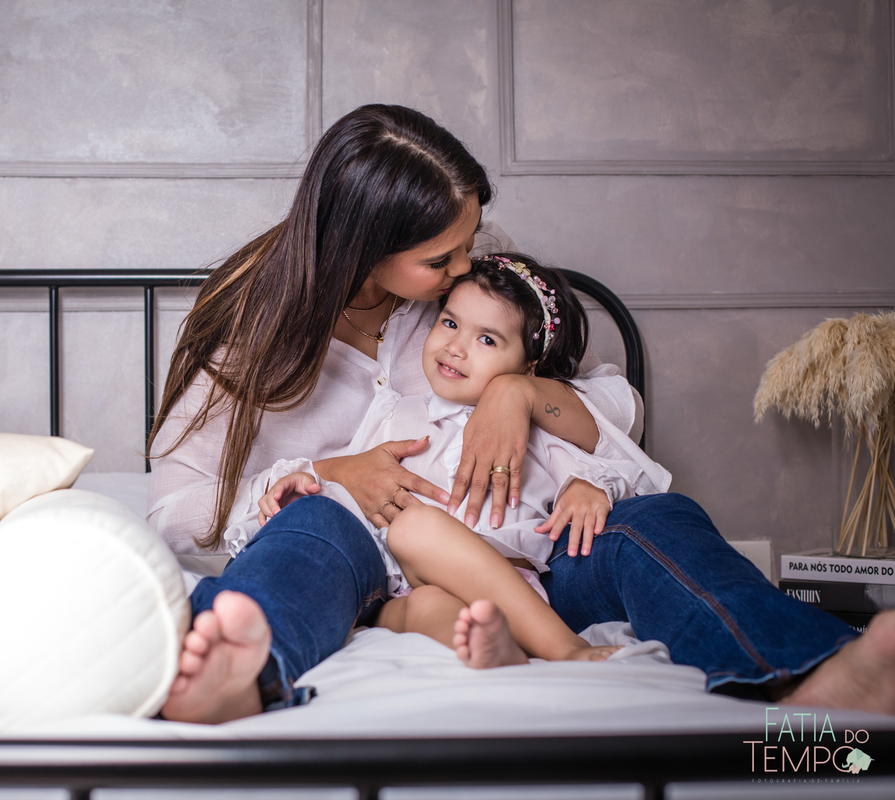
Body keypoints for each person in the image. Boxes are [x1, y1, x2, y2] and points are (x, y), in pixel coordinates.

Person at [147, 103, 895, 725]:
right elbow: (175, 511)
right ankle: (243, 682)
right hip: (375, 562)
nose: (465, 268)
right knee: (310, 530)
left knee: (655, 522)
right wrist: (325, 472)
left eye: (469, 245)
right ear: (361, 249)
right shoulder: (248, 331)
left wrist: (518, 393)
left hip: (535, 547)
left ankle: (806, 676)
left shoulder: (473, 280)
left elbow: (611, 405)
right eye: (442, 262)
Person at [254, 254, 670, 667]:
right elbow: (356, 486)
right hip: (404, 587)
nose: (455, 348)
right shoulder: (395, 412)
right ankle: (491, 650)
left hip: (508, 588)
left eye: (486, 339)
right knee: (423, 604)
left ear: (529, 366)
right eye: (450, 323)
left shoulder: (530, 428)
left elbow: (626, 471)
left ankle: (564, 647)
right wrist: (306, 481)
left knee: (414, 526)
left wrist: (590, 486)